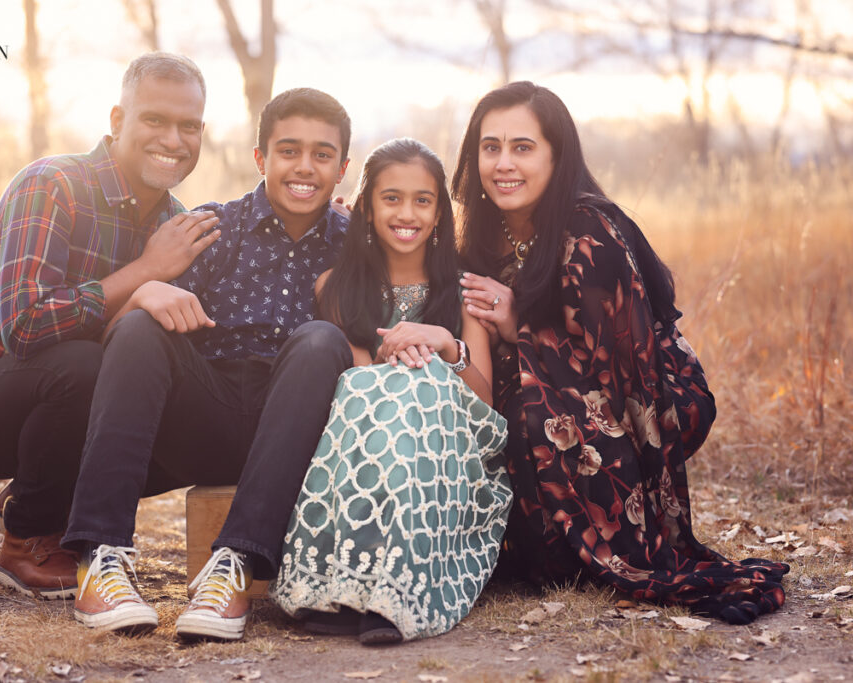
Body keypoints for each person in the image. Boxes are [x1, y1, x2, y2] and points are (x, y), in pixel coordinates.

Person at [452, 81, 788, 624]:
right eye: (490, 147)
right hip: (557, 418)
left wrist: (518, 326)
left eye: (522, 147)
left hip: (641, 413)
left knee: (532, 411)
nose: (503, 164)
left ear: (557, 156)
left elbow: (616, 376)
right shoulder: (486, 238)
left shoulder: (589, 231)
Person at [60, 88, 355, 638]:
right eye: (288, 151)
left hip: (298, 427)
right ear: (261, 157)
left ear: (343, 168)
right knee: (140, 325)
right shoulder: (211, 229)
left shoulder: (356, 245)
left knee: (319, 339)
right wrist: (146, 291)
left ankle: (235, 566)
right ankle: (100, 561)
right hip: (206, 413)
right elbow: (119, 332)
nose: (304, 167)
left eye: (322, 154)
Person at [0, 52, 219, 600]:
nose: (174, 140)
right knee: (80, 367)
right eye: (155, 120)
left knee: (179, 400)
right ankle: (27, 540)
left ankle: (46, 497)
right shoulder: (52, 183)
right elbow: (27, 326)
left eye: (190, 126)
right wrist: (146, 273)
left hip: (65, 394)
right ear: (116, 121)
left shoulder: (175, 222)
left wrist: (333, 229)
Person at [272, 138, 513, 645]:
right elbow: (349, 388)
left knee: (423, 382)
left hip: (446, 453)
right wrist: (387, 361)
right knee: (372, 388)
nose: (407, 213)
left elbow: (484, 404)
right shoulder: (334, 288)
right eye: (391, 198)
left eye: (423, 200)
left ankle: (399, 590)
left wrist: (447, 345)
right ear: (365, 209)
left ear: (440, 214)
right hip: (364, 444)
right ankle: (342, 584)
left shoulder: (464, 289)